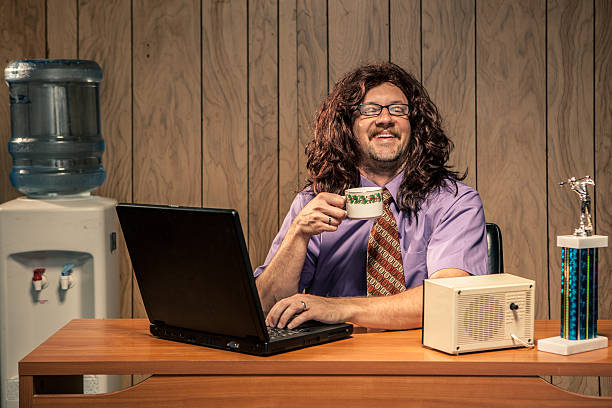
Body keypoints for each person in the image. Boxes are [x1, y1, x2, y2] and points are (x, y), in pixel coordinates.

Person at [254, 62, 488, 330]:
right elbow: (266, 308)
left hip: (424, 358)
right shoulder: (313, 203)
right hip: (332, 360)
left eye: (398, 109)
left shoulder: (453, 201)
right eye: (369, 110)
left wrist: (336, 307)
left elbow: (449, 298)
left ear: (415, 125)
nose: (385, 118)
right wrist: (298, 234)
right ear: (347, 126)